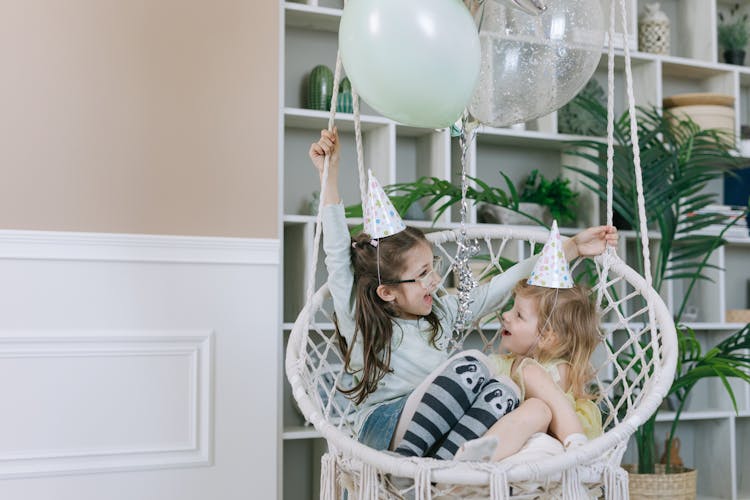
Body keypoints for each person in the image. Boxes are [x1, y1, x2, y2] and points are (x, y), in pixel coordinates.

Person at [309, 127, 617, 460]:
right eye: (423, 274)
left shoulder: (442, 311)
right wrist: (330, 176)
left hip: (439, 432)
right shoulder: (360, 317)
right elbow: (337, 255)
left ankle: (444, 471)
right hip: (384, 429)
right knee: (470, 366)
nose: (436, 279)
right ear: (387, 292)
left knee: (505, 391)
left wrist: (569, 248)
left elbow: (499, 286)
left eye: (433, 266)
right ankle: (409, 467)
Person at [457, 276, 605, 463]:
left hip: (550, 451)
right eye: (512, 308)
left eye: (519, 315)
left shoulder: (558, 370)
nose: (506, 315)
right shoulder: (499, 364)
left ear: (547, 336)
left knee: (536, 406)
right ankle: (472, 461)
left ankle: (577, 444)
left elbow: (551, 416)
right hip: (496, 445)